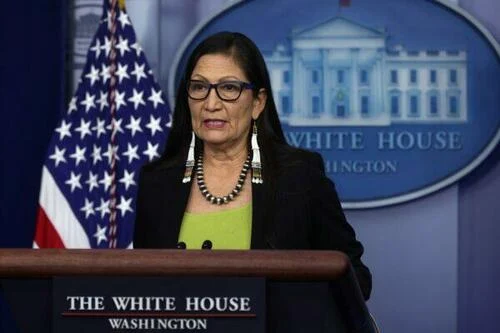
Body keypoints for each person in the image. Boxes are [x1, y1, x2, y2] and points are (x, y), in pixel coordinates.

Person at [133, 31, 371, 301]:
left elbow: (356, 280)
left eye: (229, 88)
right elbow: (144, 291)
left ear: (258, 102)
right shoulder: (157, 182)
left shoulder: (300, 177)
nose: (211, 104)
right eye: (199, 87)